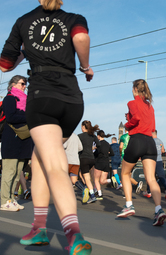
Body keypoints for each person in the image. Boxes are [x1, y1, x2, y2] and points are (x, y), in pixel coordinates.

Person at [0, 0, 94, 253]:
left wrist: (27, 48)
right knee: (39, 156)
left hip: (43, 97)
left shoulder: (23, 21)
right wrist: (85, 66)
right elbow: (81, 39)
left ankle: (73, 234)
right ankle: (38, 228)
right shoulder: (74, 17)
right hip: (72, 99)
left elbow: (6, 64)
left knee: (54, 164)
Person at [117, 79, 166, 226]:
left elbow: (136, 118)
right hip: (150, 142)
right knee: (151, 178)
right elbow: (153, 127)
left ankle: (129, 205)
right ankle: (158, 209)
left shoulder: (132, 103)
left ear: (134, 89)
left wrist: (127, 124)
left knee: (125, 173)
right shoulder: (150, 106)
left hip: (137, 139)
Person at [0, 75, 33, 212]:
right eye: (22, 83)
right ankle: (4, 201)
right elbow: (11, 116)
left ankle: (12, 199)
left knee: (18, 172)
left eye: (25, 84)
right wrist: (30, 116)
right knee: (9, 172)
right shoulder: (9, 98)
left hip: (23, 140)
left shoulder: (25, 101)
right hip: (11, 139)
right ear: (13, 84)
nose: (24, 86)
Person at [143, 130, 166, 199]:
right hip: (159, 160)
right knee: (161, 175)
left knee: (150, 176)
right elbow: (163, 151)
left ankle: (149, 192)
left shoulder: (150, 141)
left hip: (151, 160)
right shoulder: (160, 141)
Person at [78, 120, 101, 204]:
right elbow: (98, 145)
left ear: (83, 127)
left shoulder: (79, 136)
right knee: (89, 177)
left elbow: (78, 147)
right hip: (92, 158)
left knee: (86, 178)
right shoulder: (93, 136)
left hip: (83, 158)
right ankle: (90, 188)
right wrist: (93, 148)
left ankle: (92, 195)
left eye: (81, 126)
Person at [119, 129, 143, 194]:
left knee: (124, 175)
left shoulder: (123, 137)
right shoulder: (134, 136)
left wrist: (120, 153)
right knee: (128, 175)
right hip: (134, 157)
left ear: (124, 129)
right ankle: (135, 185)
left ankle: (133, 186)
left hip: (125, 157)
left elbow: (121, 147)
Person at [93, 130, 114, 200]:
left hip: (99, 163)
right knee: (102, 181)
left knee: (96, 179)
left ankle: (100, 194)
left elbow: (96, 154)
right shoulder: (108, 144)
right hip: (106, 163)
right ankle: (111, 180)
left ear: (98, 136)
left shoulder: (98, 144)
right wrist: (107, 153)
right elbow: (112, 153)